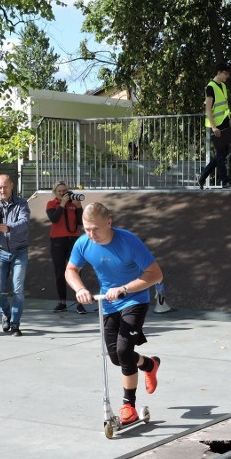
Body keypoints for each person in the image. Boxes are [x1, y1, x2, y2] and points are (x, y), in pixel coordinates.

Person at [65, 202, 163, 425]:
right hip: (108, 304)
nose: (91, 234)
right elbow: (71, 270)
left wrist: (125, 288)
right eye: (87, 229)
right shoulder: (84, 243)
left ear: (109, 222)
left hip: (134, 299)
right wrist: (80, 288)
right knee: (117, 358)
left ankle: (129, 406)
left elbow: (155, 274)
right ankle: (149, 365)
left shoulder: (128, 241)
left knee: (123, 349)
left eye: (96, 229)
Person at [0, 174, 31, 337]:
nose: (2, 190)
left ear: (11, 186)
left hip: (19, 252)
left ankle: (15, 324)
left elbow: (24, 223)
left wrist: (9, 228)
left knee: (17, 289)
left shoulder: (21, 203)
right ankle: (6, 314)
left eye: (4, 186)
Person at [46, 182, 86, 314]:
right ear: (55, 193)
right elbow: (54, 218)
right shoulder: (51, 204)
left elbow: (81, 222)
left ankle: (80, 302)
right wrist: (62, 204)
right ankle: (62, 302)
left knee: (77, 270)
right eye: (59, 191)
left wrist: (79, 207)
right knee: (60, 271)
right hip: (57, 241)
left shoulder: (73, 204)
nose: (63, 193)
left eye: (64, 191)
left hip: (73, 240)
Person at [197, 62, 231, 190]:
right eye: (225, 73)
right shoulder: (210, 87)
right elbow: (208, 109)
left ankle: (202, 176)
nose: (227, 76)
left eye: (228, 74)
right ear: (218, 72)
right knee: (221, 152)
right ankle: (225, 182)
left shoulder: (223, 86)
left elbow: (224, 106)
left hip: (224, 123)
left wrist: (228, 121)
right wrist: (214, 127)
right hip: (217, 125)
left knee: (224, 152)